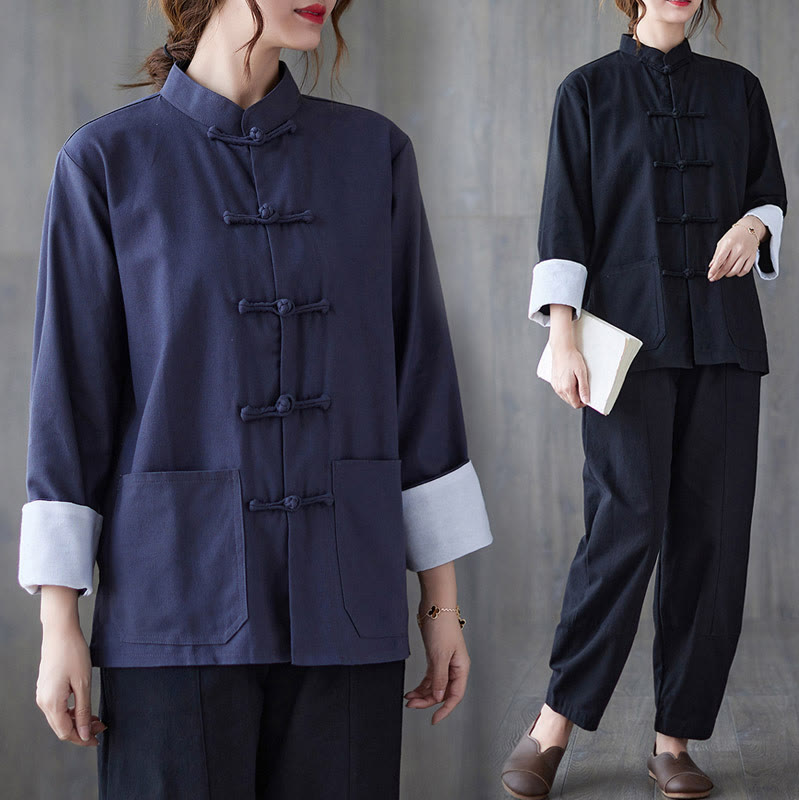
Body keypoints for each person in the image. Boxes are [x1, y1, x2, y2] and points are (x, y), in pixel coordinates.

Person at [17, 1, 493, 797]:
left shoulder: (373, 155)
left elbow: (420, 383)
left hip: (348, 599)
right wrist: (57, 619)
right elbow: (71, 405)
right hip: (174, 604)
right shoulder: (105, 163)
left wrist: (441, 607)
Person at [500, 1, 787, 798]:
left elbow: (768, 191)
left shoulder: (738, 88)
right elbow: (566, 217)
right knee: (624, 526)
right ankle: (552, 724)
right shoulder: (586, 91)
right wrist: (562, 334)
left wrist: (756, 228)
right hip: (623, 343)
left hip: (724, 340)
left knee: (712, 538)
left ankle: (674, 741)